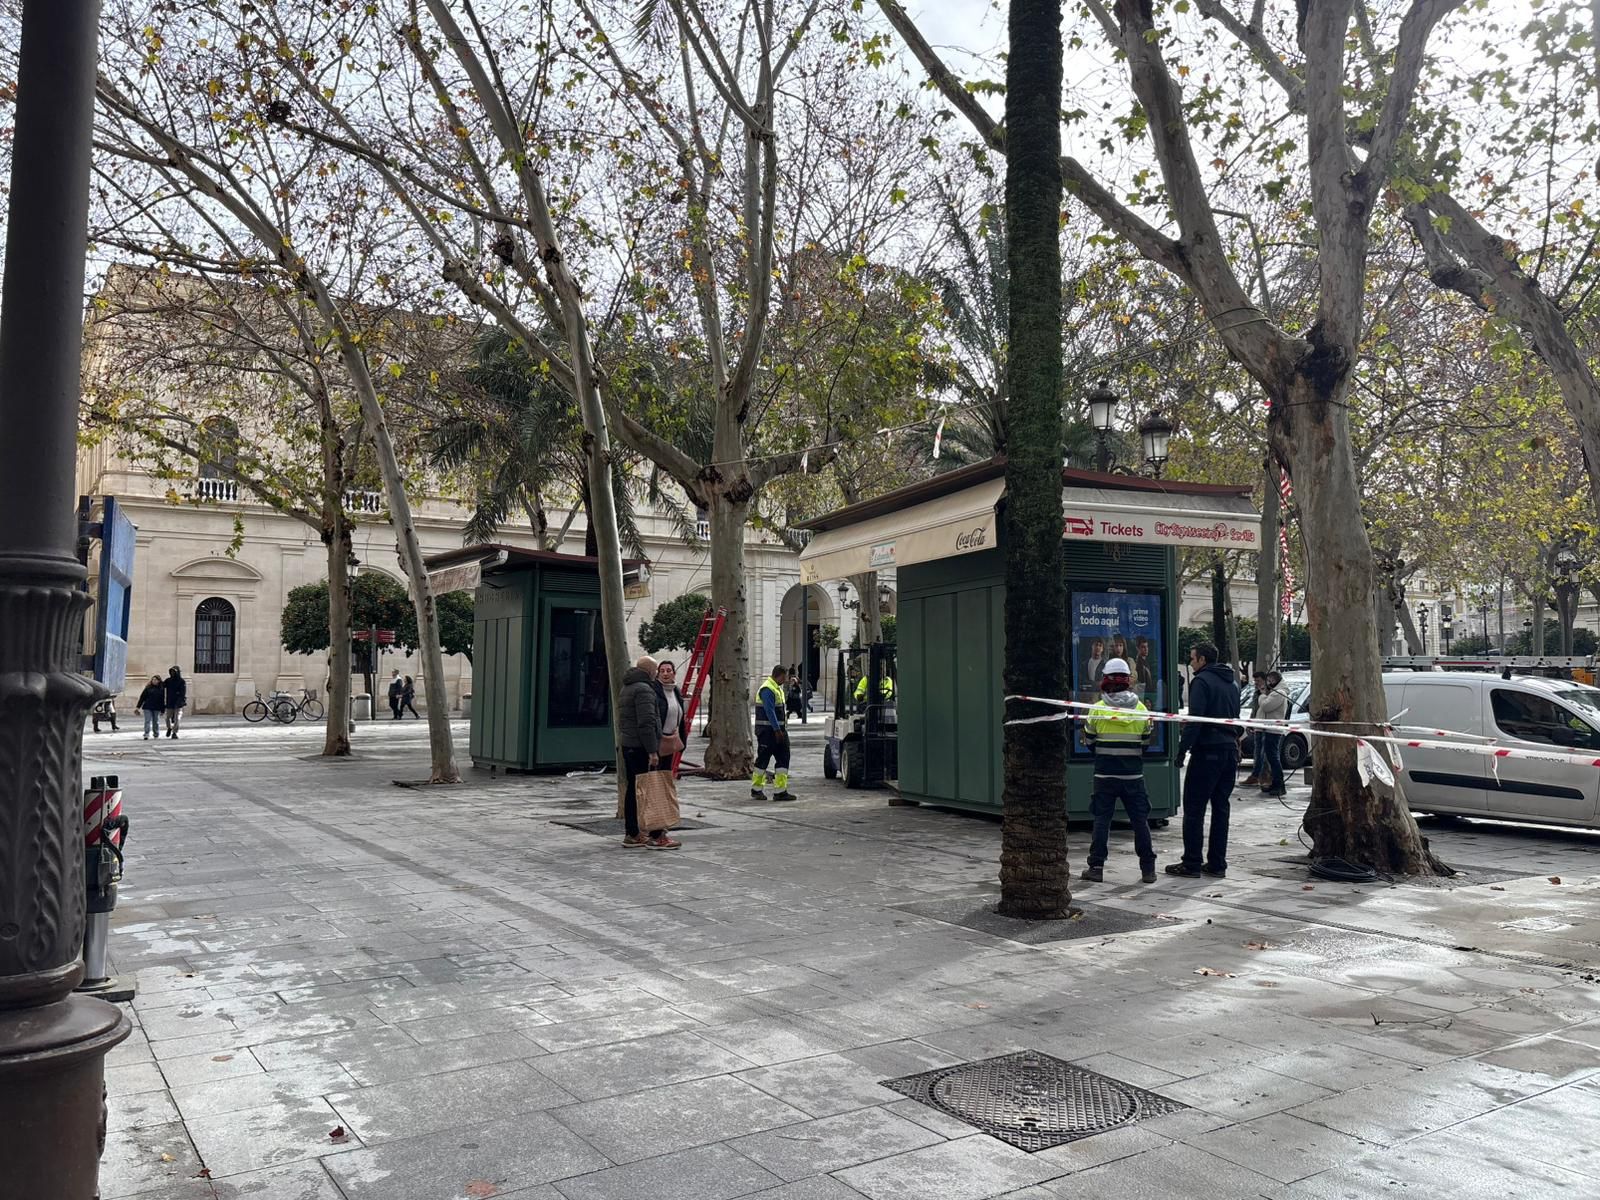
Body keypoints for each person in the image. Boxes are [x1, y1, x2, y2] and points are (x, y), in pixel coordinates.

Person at [1167, 642, 1242, 878]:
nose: (1190, 662)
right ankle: (1217, 863)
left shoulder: (1201, 681)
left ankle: (1191, 862)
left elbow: (1195, 720)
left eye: (1192, 658)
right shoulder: (1232, 683)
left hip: (1207, 751)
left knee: (1194, 808)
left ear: (1202, 660)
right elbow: (1235, 719)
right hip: (1229, 751)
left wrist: (1182, 750)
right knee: (1221, 808)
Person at [1080, 658, 1157, 884]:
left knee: (1102, 820)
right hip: (1133, 776)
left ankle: (1096, 868)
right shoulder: (1142, 710)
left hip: (1104, 775)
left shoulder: (1097, 710)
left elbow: (1090, 742)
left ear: (1105, 680)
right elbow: (1145, 743)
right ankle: (1148, 870)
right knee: (1140, 821)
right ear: (1127, 682)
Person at [619, 655, 679, 849]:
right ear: (649, 671)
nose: (656, 673)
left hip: (629, 744)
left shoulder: (627, 687)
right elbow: (647, 723)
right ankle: (656, 834)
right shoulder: (645, 689)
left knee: (633, 789)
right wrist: (653, 751)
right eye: (655, 670)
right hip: (641, 747)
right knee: (650, 788)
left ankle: (633, 833)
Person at [752, 664, 796, 802]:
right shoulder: (767, 689)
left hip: (779, 732)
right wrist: (777, 729)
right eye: (785, 677)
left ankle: (780, 791)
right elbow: (769, 711)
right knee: (763, 760)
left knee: (784, 758)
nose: (785, 680)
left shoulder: (777, 688)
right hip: (767, 732)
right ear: (780, 675)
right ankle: (756, 789)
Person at [1256, 670, 1291, 798]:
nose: (1268, 683)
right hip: (1268, 728)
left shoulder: (1279, 693)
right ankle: (1274, 782)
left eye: (1270, 681)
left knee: (1273, 758)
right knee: (1270, 757)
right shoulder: (1273, 693)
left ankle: (1279, 784)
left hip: (1274, 730)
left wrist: (1262, 695)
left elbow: (1266, 706)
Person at [654, 659, 689, 767]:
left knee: (666, 774)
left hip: (671, 740)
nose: (665, 674)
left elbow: (680, 717)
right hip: (657, 741)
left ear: (674, 673)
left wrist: (682, 739)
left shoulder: (676, 691)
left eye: (668, 670)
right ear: (657, 674)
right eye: (662, 671)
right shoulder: (653, 691)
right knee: (654, 777)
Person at [1242, 671, 1268, 788]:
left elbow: (1265, 707)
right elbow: (1254, 709)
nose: (1256, 683)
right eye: (1255, 681)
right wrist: (1251, 722)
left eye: (1258, 681)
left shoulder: (1267, 693)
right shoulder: (1256, 693)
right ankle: (1256, 775)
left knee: (1265, 753)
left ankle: (1262, 775)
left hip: (1265, 726)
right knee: (1257, 752)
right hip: (1257, 725)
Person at [137, 675, 165, 740]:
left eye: (155, 680)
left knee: (156, 721)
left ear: (159, 681)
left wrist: (163, 710)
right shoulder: (148, 688)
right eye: (153, 679)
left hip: (157, 707)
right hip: (147, 707)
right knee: (147, 721)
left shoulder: (161, 689)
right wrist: (138, 707)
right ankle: (146, 734)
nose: (154, 681)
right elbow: (142, 698)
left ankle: (156, 733)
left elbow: (162, 699)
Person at [163, 666, 188, 739]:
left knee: (177, 718)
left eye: (174, 672)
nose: (172, 673)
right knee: (167, 717)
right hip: (169, 702)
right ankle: (169, 728)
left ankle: (174, 732)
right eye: (171, 672)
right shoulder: (168, 680)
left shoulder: (181, 681)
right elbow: (162, 686)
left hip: (178, 703)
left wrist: (180, 701)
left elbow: (183, 693)